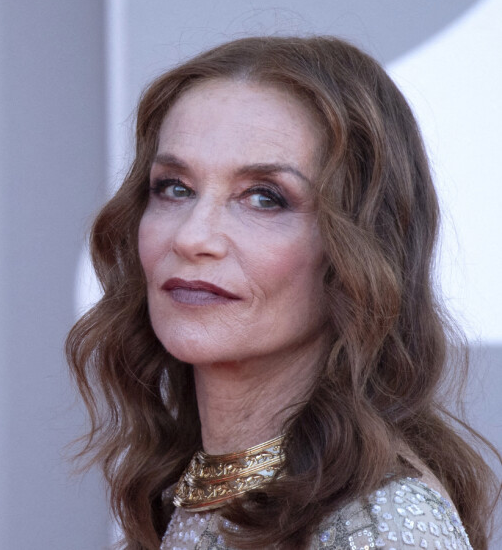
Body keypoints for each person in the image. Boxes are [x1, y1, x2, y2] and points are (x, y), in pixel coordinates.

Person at [66, 36, 500, 549]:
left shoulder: (385, 529)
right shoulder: (198, 489)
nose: (192, 236)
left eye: (264, 198)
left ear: (359, 250)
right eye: (174, 187)